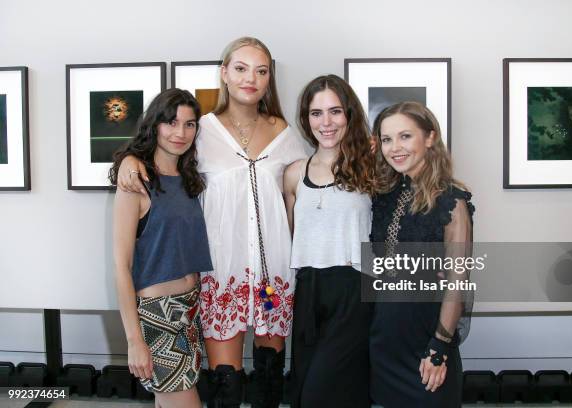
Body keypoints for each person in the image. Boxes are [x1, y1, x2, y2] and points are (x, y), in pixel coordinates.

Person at [116, 37, 307, 408]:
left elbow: (310, 186)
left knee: (269, 376)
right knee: (226, 385)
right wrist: (128, 159)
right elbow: (160, 156)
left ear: (269, 79)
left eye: (261, 70)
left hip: (274, 277)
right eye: (240, 68)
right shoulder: (201, 130)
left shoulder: (286, 134)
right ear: (224, 73)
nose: (250, 78)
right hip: (222, 272)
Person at [110, 88, 212, 408]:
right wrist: (134, 340)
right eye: (171, 122)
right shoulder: (135, 180)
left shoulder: (188, 177)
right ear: (154, 125)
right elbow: (121, 266)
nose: (180, 132)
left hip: (190, 310)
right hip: (158, 319)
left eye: (189, 124)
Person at [369, 101, 474, 408]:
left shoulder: (452, 203)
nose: (395, 148)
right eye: (387, 139)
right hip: (383, 341)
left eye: (405, 136)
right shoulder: (383, 196)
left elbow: (458, 281)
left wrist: (439, 347)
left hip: (426, 346)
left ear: (429, 138)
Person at [283, 74, 376, 408]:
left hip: (355, 289)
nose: (326, 122)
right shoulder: (294, 173)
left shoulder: (371, 167)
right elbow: (291, 240)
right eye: (316, 113)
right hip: (308, 291)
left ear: (349, 115)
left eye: (335, 111)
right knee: (305, 386)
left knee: (325, 392)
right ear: (306, 119)